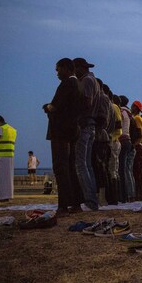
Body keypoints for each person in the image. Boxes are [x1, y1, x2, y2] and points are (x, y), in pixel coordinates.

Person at [43, 57, 83, 215]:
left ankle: (63, 205)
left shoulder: (67, 83)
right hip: (73, 130)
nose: (57, 73)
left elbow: (54, 106)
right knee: (71, 167)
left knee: (61, 167)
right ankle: (76, 203)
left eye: (58, 69)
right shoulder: (78, 84)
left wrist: (46, 107)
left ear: (66, 68)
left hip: (61, 131)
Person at [73, 57, 100, 211]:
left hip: (85, 125)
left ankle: (90, 201)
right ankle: (92, 200)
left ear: (79, 68)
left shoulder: (87, 81)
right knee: (87, 165)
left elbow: (87, 102)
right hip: (91, 125)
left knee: (81, 164)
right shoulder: (93, 80)